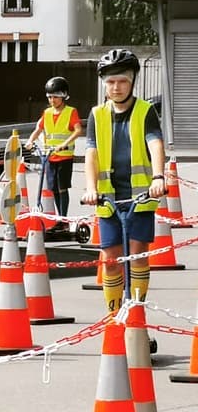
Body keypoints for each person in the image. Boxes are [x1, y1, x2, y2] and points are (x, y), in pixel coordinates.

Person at [79, 48, 166, 314]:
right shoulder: (97, 114)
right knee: (111, 261)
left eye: (122, 81)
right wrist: (91, 188)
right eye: (111, 82)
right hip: (108, 199)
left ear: (132, 81)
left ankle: (136, 313)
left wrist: (158, 177)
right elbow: (91, 153)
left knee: (138, 256)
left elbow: (155, 143)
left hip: (140, 198)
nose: (116, 87)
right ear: (104, 83)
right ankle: (115, 316)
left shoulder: (145, 111)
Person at [25, 76, 82, 216]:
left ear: (63, 96)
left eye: (55, 97)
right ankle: (59, 218)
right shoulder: (47, 113)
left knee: (62, 188)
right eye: (50, 97)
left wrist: (64, 144)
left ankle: (63, 218)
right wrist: (30, 141)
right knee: (54, 188)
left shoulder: (71, 112)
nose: (52, 100)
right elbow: (38, 129)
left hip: (64, 157)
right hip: (50, 156)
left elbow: (78, 130)